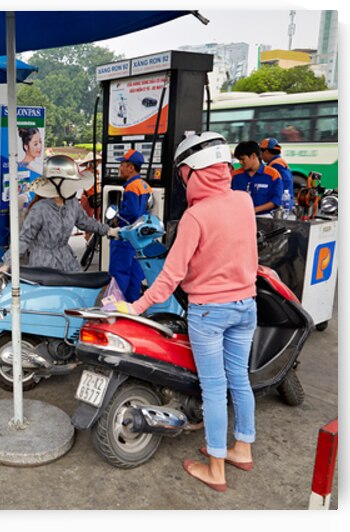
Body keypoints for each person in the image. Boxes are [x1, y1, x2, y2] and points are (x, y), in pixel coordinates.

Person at [110, 132, 258, 493]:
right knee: (239, 380)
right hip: (246, 306)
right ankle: (243, 448)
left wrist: (135, 307)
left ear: (192, 171)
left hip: (210, 312)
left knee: (214, 387)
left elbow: (168, 277)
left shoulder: (196, 216)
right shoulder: (243, 201)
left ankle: (216, 468)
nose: (181, 181)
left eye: (181, 174)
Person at [0, 155, 115, 275]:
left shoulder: (72, 203)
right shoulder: (40, 208)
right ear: (59, 184)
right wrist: (7, 264)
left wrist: (109, 230)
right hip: (43, 265)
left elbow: (85, 222)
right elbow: (25, 238)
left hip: (67, 261)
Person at [109, 149, 152, 302]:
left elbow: (132, 212)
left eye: (122, 163)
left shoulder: (131, 187)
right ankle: (132, 310)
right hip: (139, 238)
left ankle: (116, 311)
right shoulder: (145, 185)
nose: (119, 167)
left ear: (131, 167)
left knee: (119, 275)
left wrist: (116, 221)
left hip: (126, 238)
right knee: (135, 275)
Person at [231, 140, 283, 215]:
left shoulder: (273, 175)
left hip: (265, 217)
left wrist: (254, 210)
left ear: (253, 156)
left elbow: (276, 200)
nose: (240, 162)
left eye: (242, 159)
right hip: (239, 216)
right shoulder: (235, 175)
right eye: (239, 160)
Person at [259, 137, 294, 212]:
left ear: (267, 152)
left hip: (281, 206)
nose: (260, 155)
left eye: (261, 152)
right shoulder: (279, 162)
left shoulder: (276, 165)